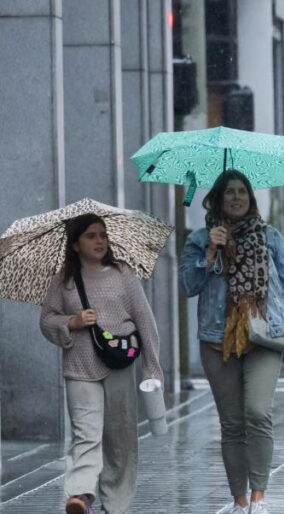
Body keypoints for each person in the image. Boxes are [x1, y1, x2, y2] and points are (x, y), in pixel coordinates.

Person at [179, 170, 284, 514]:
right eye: (228, 192)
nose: (235, 198)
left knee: (257, 412)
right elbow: (187, 287)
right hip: (217, 339)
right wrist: (211, 254)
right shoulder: (201, 239)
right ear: (216, 199)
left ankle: (259, 497)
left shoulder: (270, 237)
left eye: (241, 192)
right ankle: (239, 500)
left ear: (250, 198)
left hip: (264, 334)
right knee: (231, 423)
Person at [40, 214, 163, 514]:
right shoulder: (64, 281)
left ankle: (116, 503)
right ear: (75, 244)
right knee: (86, 433)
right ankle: (81, 494)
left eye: (102, 235)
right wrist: (73, 321)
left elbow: (146, 322)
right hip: (79, 368)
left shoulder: (123, 274)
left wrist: (152, 367)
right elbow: (46, 321)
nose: (99, 241)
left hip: (119, 365)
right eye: (91, 236)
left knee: (120, 437)